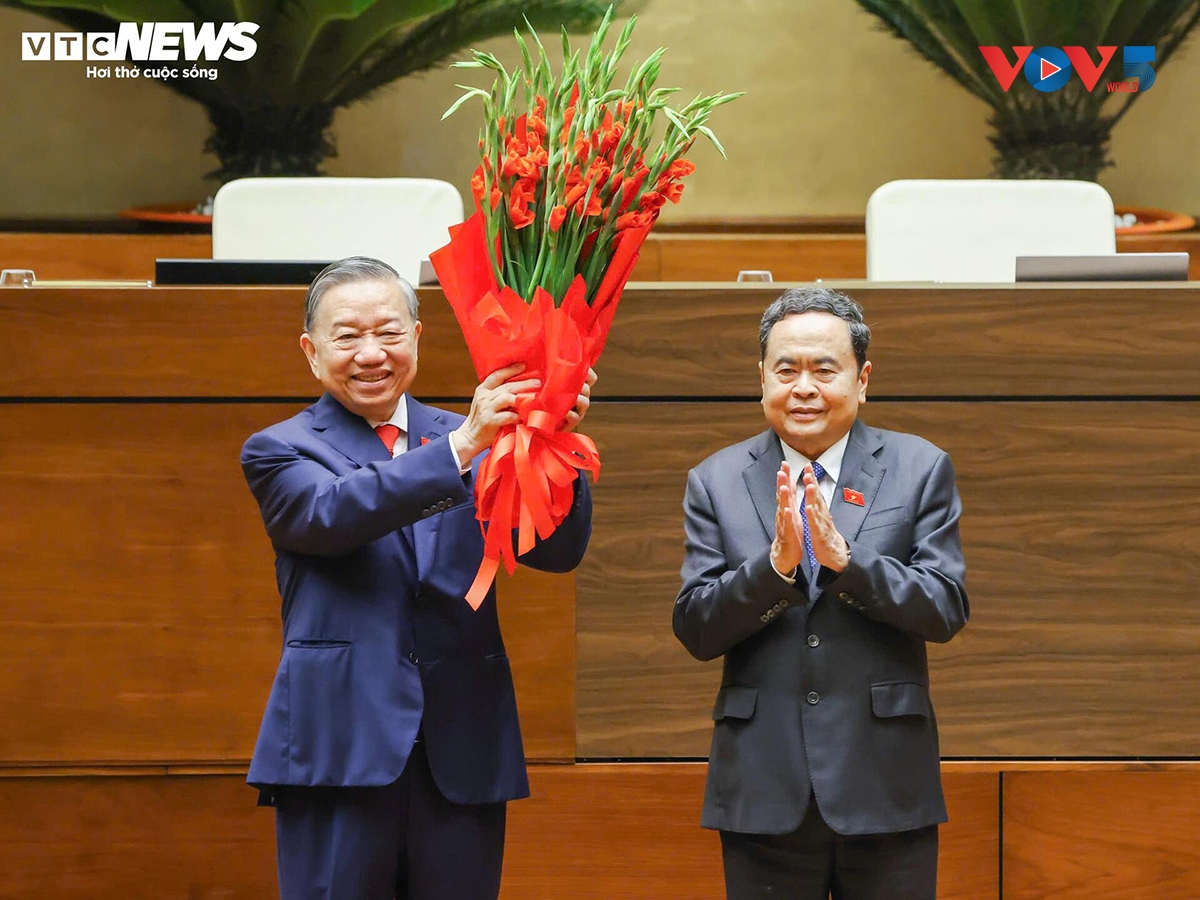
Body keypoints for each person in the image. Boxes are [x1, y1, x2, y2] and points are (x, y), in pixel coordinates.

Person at [241, 256, 594, 900]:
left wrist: (551, 437)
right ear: (312, 352)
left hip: (461, 750)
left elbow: (556, 550)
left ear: (417, 337)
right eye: (348, 336)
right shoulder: (280, 448)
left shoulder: (478, 434)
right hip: (338, 751)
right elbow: (330, 516)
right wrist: (462, 448)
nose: (371, 353)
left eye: (389, 332)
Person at [672, 287, 968, 900]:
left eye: (824, 370)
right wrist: (773, 570)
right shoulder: (716, 480)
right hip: (763, 786)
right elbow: (696, 627)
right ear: (761, 379)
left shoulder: (919, 468)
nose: (803, 387)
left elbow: (944, 607)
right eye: (786, 370)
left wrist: (849, 564)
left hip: (885, 782)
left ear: (863, 379)